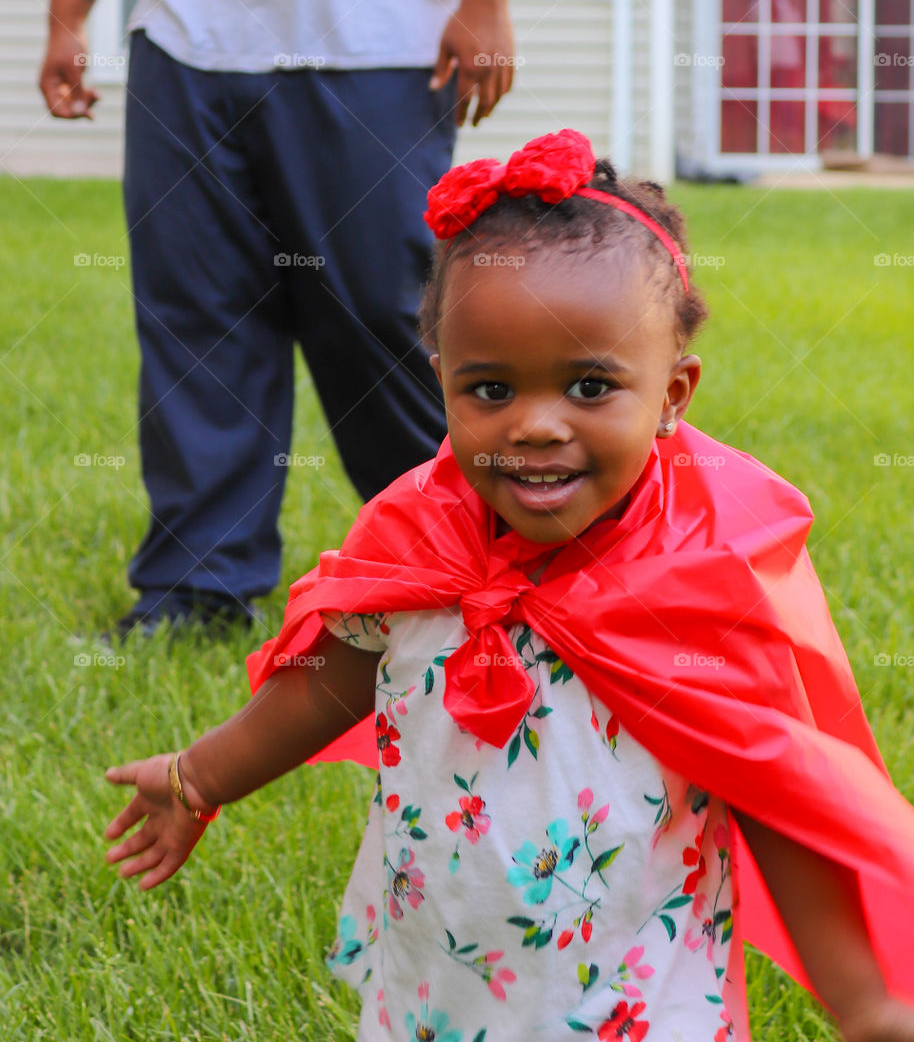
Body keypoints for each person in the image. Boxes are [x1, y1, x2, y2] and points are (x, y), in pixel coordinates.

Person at [103, 131, 914, 1041]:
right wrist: (197, 776)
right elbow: (333, 681)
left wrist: (863, 998)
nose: (534, 426)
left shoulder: (694, 579)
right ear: (441, 380)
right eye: (489, 389)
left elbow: (773, 786)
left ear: (674, 393)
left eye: (590, 386)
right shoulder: (418, 535)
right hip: (443, 972)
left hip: (639, 994)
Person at [39, 0, 516, 637]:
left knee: (385, 315)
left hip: (373, 46)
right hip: (184, 47)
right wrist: (69, 16)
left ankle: (467, 564)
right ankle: (196, 593)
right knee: (196, 325)